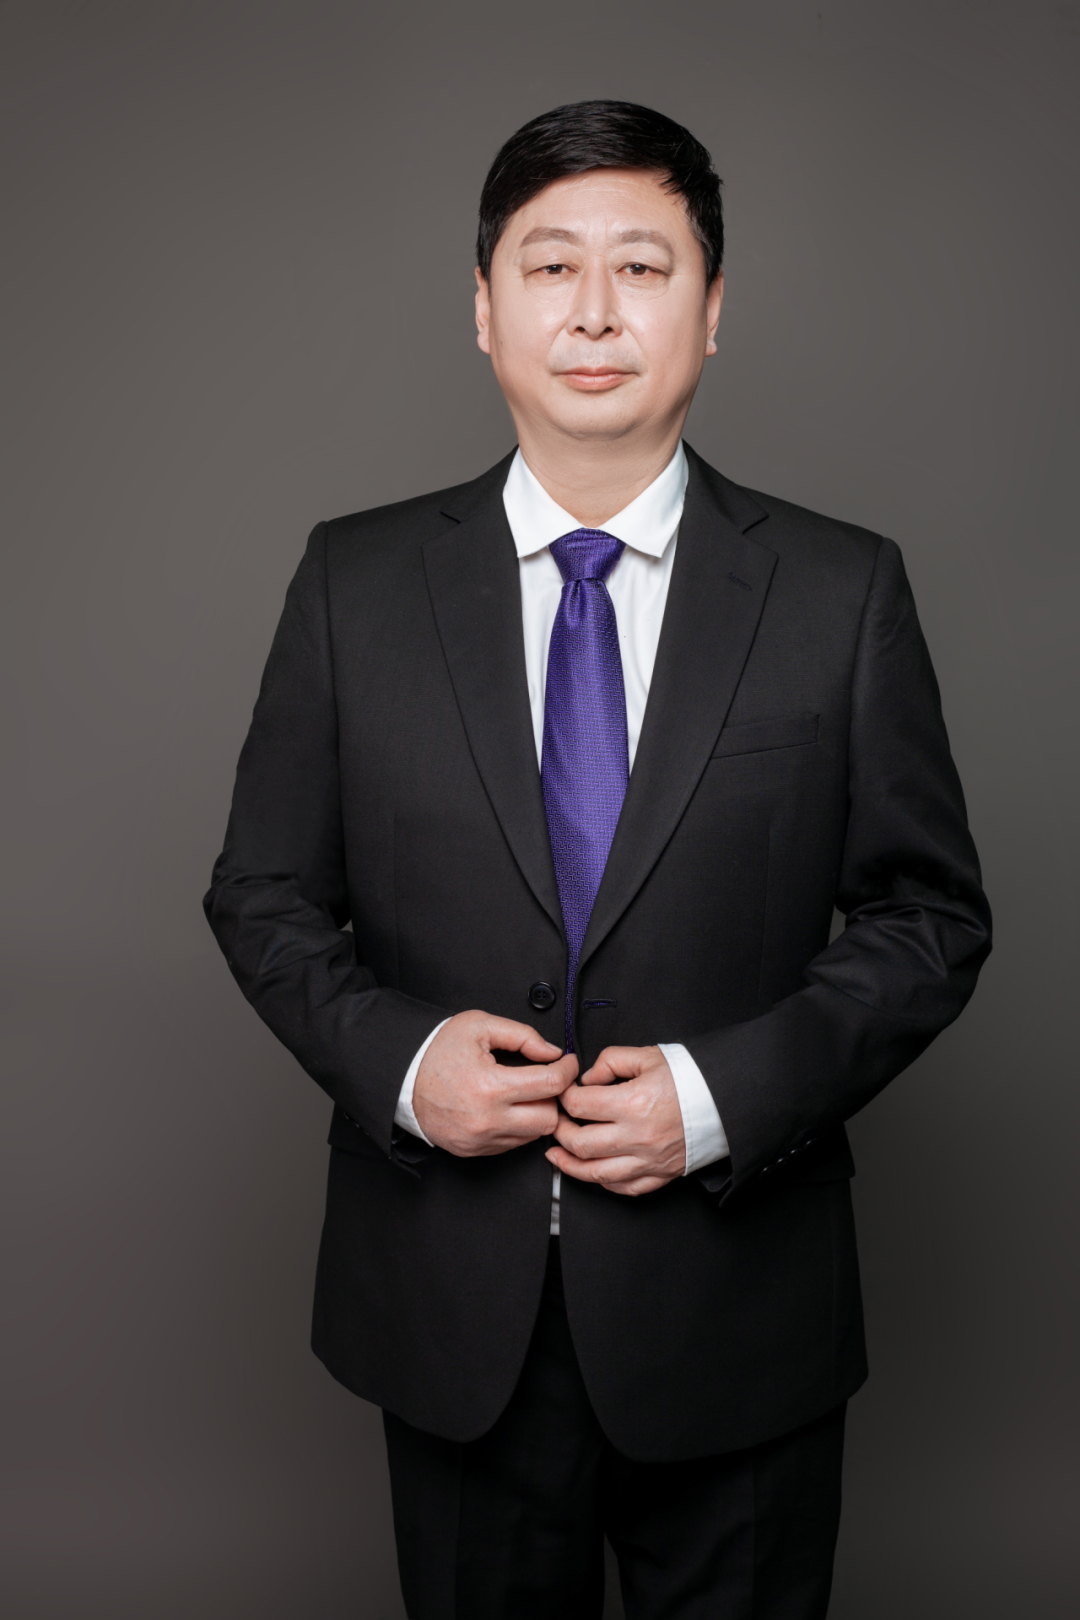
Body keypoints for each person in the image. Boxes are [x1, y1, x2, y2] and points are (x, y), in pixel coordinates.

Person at [204, 100, 991, 1619]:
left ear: (713, 307)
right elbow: (263, 893)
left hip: (740, 1311)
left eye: (642, 265)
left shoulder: (841, 592)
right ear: (484, 309)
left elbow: (930, 915)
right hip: (450, 1312)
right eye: (550, 264)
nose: (594, 310)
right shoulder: (353, 584)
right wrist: (402, 1062)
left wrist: (721, 1098)